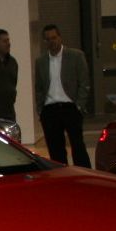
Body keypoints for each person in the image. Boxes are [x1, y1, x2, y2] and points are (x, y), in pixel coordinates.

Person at [33, 24, 92, 167]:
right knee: (55, 150)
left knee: (78, 146)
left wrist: (79, 106)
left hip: (70, 107)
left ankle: (84, 175)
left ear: (60, 37)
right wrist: (41, 110)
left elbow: (84, 82)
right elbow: (39, 87)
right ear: (44, 41)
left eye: (54, 38)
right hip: (50, 110)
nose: (51, 41)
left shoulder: (76, 56)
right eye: (47, 39)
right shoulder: (40, 62)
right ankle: (61, 176)